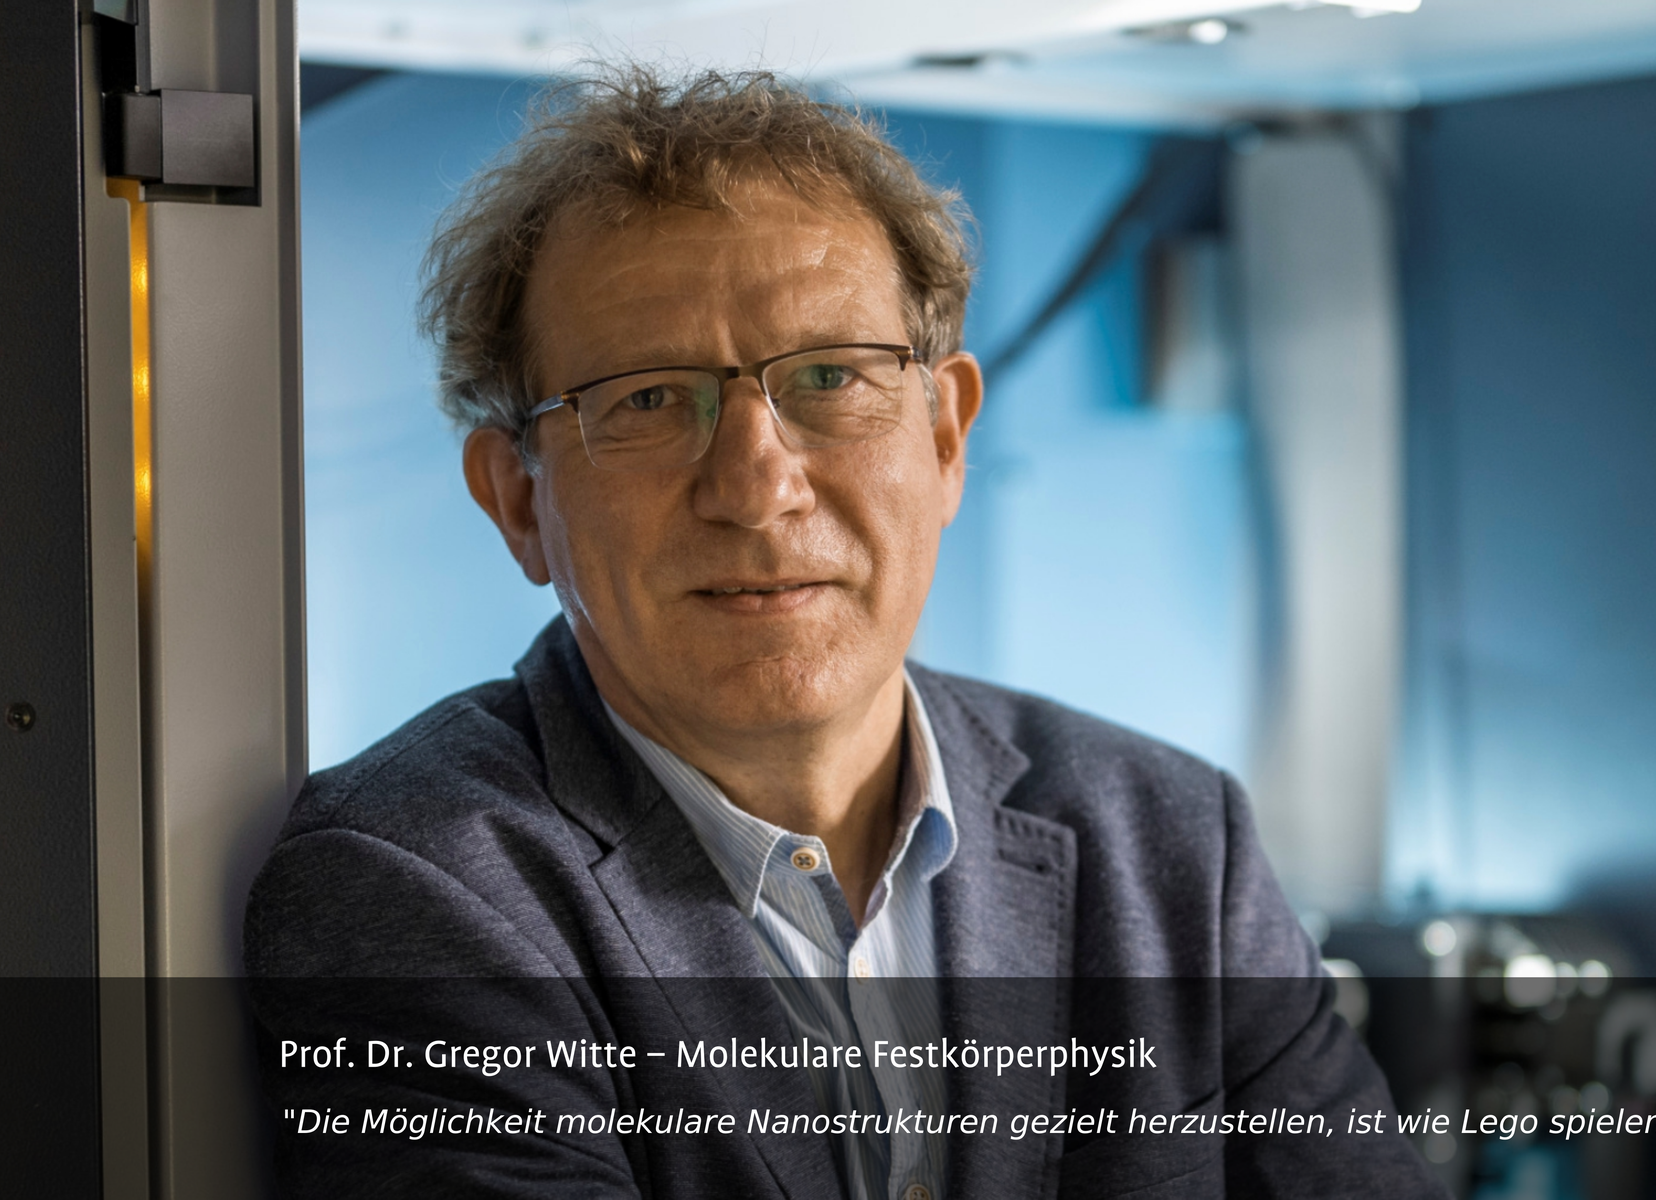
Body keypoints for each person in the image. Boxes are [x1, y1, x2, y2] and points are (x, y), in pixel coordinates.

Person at [245, 65, 1439, 1199]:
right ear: (518, 501)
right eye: (648, 399)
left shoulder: (1173, 843)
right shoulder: (413, 887)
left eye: (829, 378)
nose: (757, 486)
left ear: (947, 436)